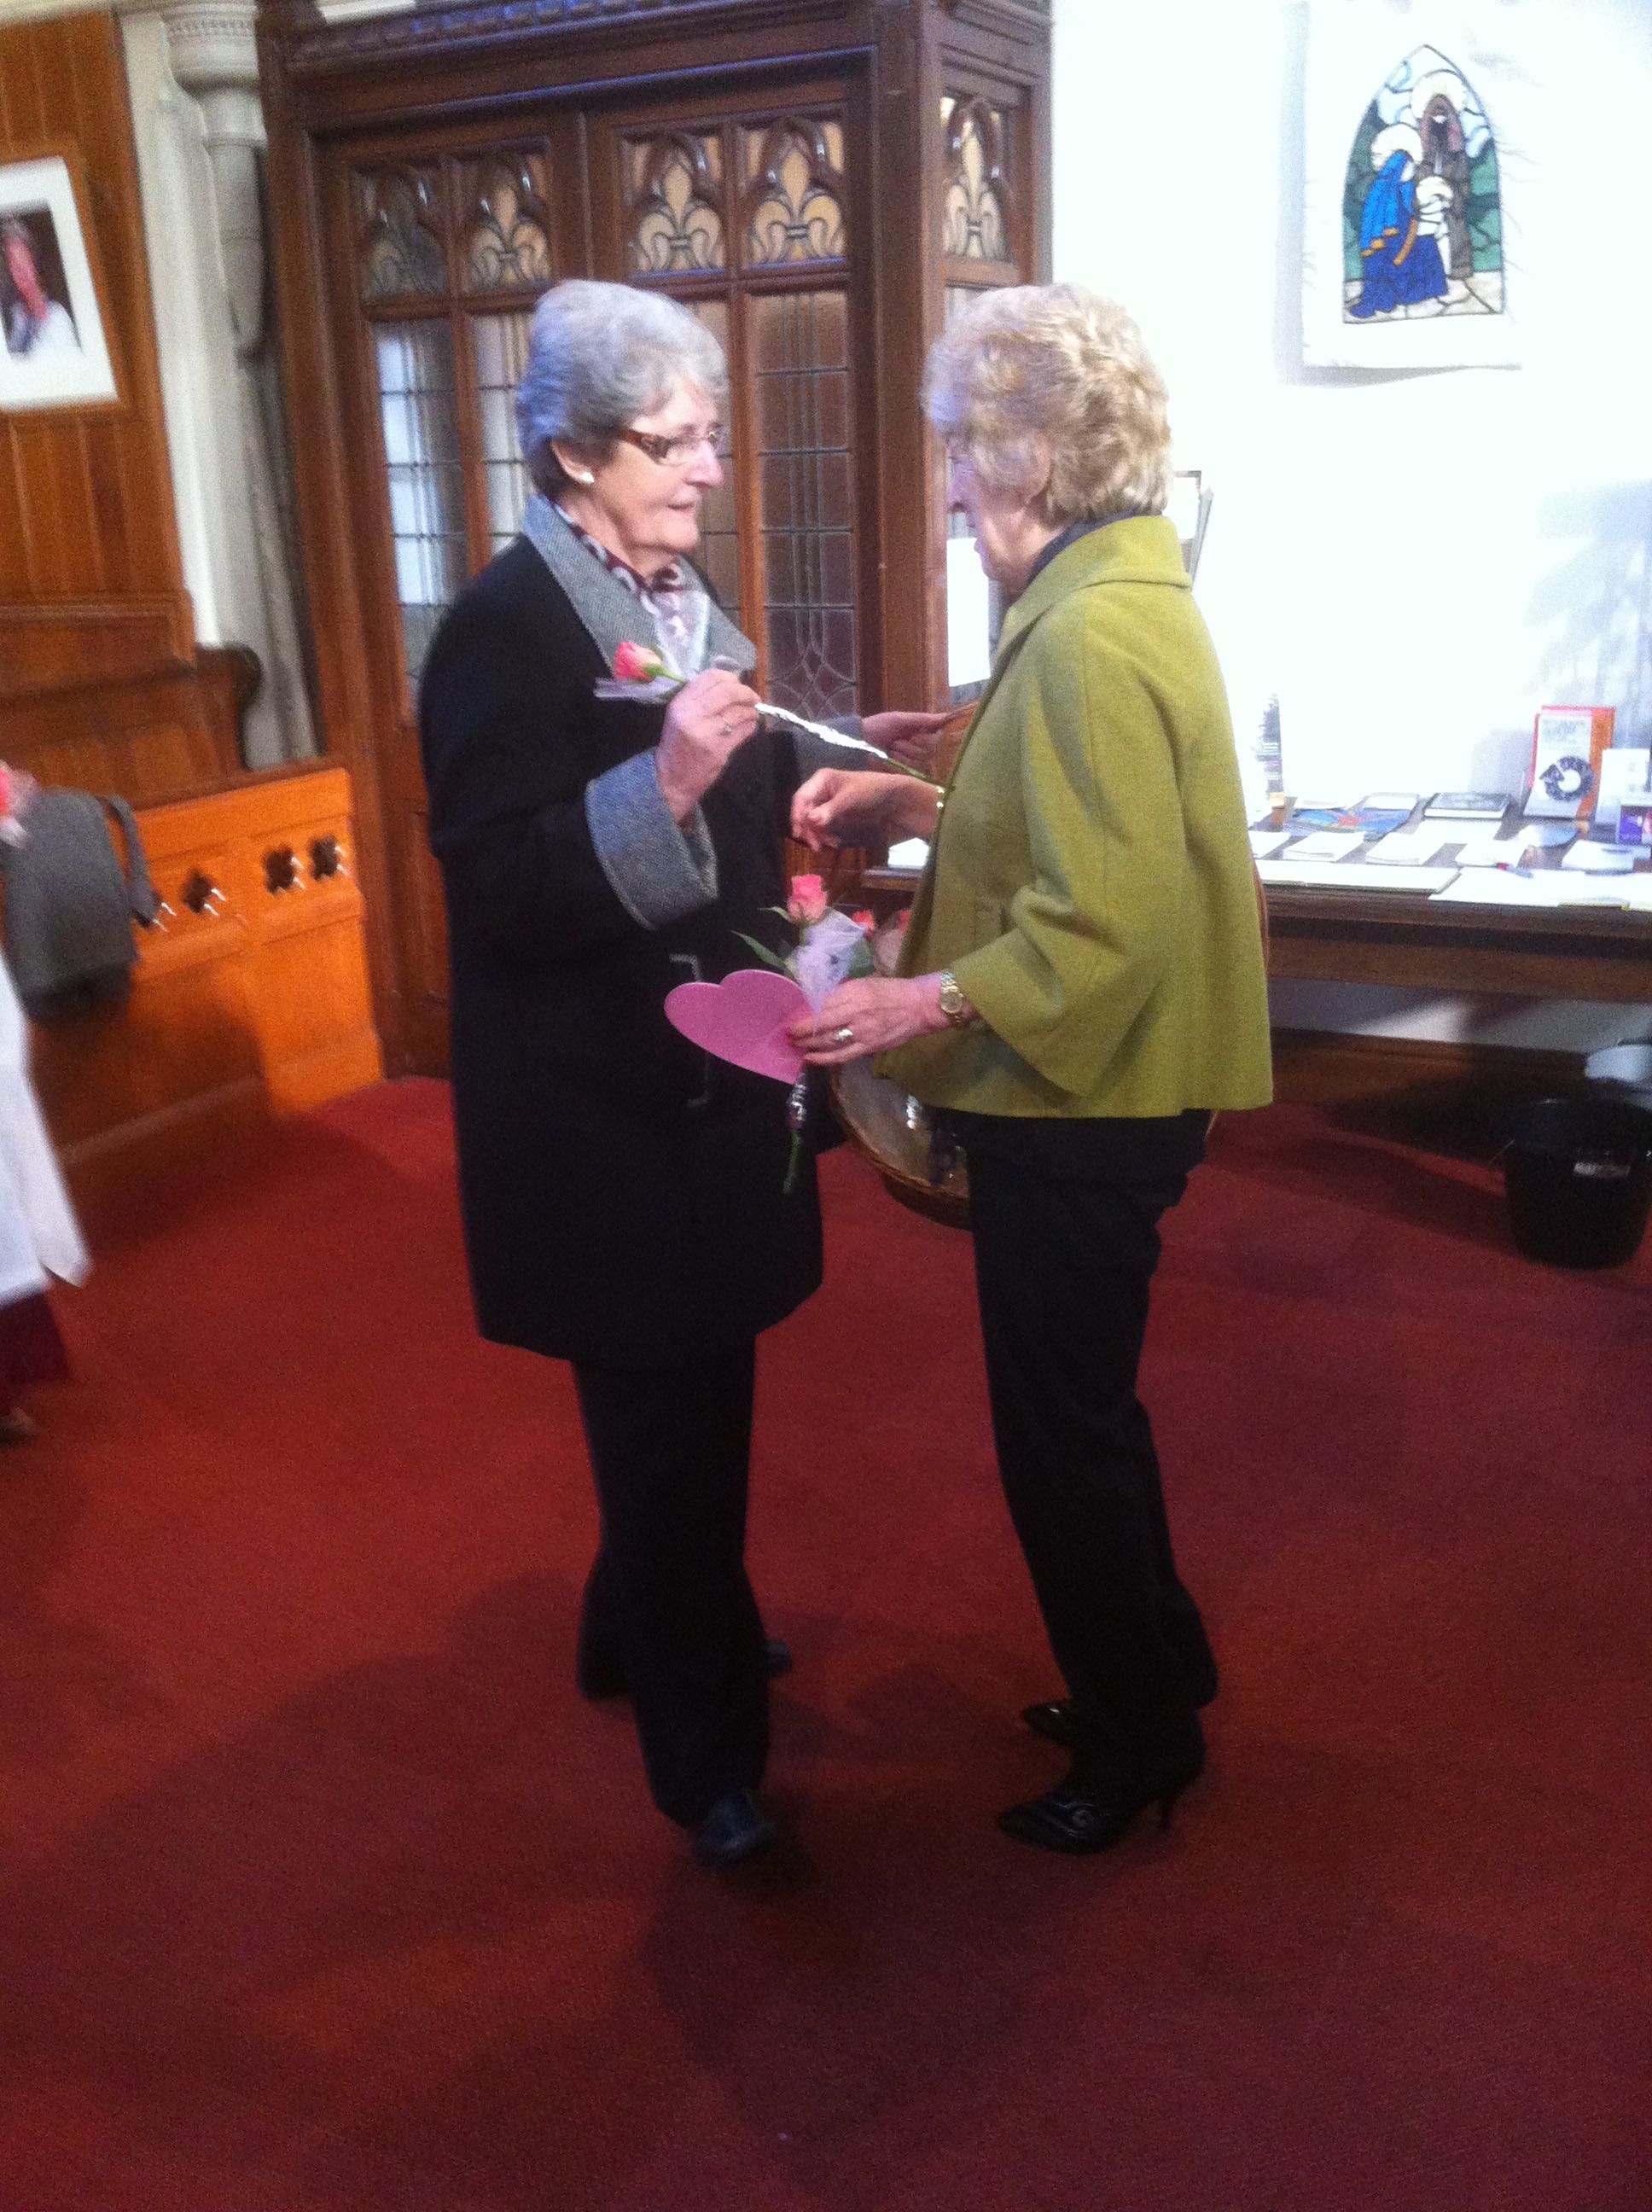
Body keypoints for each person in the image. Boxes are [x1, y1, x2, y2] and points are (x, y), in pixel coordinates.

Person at [419, 279, 944, 1868]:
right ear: (576, 454)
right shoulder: (503, 630)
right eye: (677, 441)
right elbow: (499, 887)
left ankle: (634, 1616)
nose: (712, 467)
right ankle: (706, 1763)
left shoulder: (666, 586)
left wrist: (825, 761)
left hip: (703, 1073)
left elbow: (732, 761)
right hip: (596, 1106)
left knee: (700, 1381)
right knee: (664, 1412)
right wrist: (661, 781)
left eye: (712, 435)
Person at [788, 284, 1272, 1854]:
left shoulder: (1085, 638)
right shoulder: (1119, 590)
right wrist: (926, 786)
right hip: (1118, 1089)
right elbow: (1073, 814)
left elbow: (1099, 923)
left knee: (1060, 1441)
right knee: (1091, 1416)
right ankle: (1160, 1669)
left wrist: (913, 1001)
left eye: (960, 453)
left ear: (1036, 457)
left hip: (1087, 1099)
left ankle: (1139, 1742)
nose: (948, 491)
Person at [2, 219, 80, 358]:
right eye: (12, 263)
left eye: (23, 259)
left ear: (34, 261)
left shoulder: (57, 317)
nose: (20, 269)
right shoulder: (17, 316)